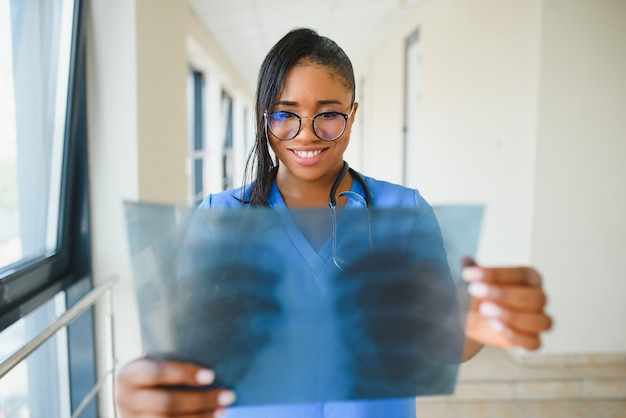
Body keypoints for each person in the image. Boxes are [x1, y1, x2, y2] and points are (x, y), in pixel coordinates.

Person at [115, 27, 552, 417]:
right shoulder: (218, 216)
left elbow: (446, 340)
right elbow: (184, 355)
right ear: (265, 117)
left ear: (353, 115)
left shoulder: (404, 211)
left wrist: (476, 321)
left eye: (328, 114)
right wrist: (152, 390)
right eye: (285, 114)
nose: (306, 133)